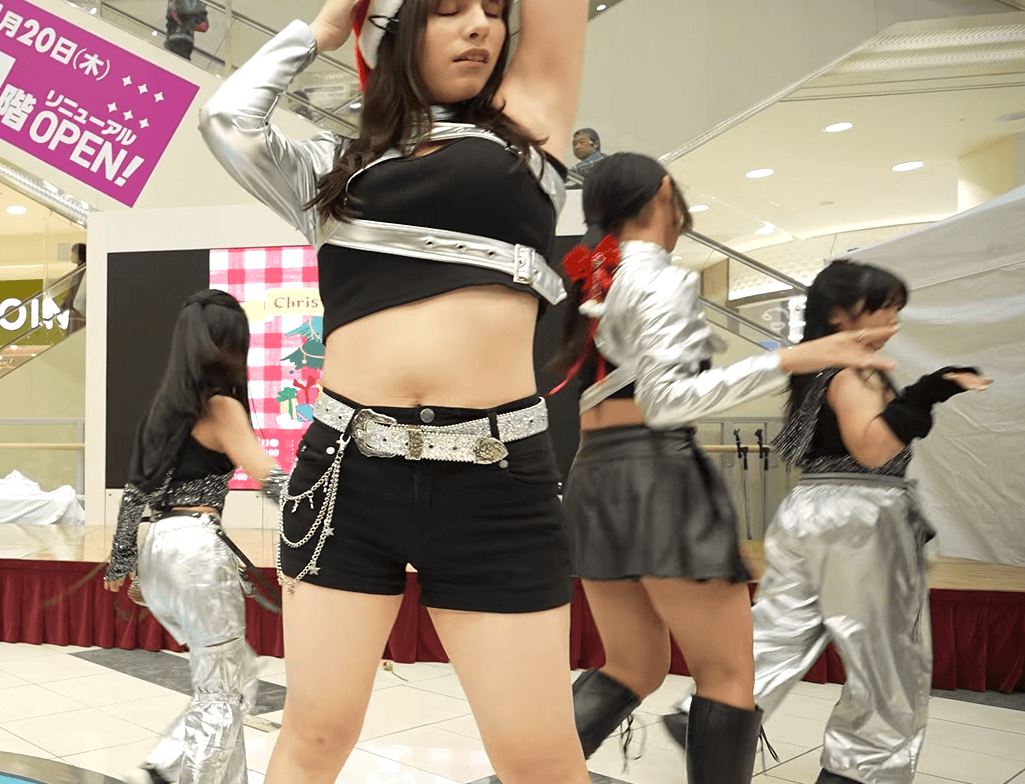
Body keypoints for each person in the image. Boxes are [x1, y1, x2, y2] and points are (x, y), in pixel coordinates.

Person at [199, 1, 591, 782]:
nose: (479, 26)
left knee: (538, 758)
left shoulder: (527, 128)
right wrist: (322, 29)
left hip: (495, 484)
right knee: (314, 736)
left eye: (492, 11)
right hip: (345, 476)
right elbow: (227, 120)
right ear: (395, 30)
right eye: (448, 10)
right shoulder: (333, 166)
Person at [548, 153, 901, 784]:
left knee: (632, 666)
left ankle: (526, 775)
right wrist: (791, 359)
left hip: (594, 473)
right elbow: (667, 402)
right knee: (729, 674)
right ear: (663, 193)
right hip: (657, 474)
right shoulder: (661, 279)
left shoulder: (598, 281)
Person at [662, 260, 991, 784]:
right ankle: (860, 771)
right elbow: (871, 449)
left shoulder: (815, 372)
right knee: (886, 661)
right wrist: (929, 392)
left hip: (808, 509)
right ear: (840, 315)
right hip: (863, 515)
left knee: (780, 628)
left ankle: (709, 714)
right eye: (883, 309)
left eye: (896, 310)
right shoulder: (851, 372)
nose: (893, 322)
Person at [104, 289, 287, 784]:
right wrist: (335, 499)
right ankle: (165, 769)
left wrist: (123, 563)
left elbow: (134, 496)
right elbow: (274, 483)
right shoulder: (221, 408)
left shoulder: (163, 411)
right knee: (224, 691)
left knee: (227, 679)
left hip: (160, 548)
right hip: (197, 549)